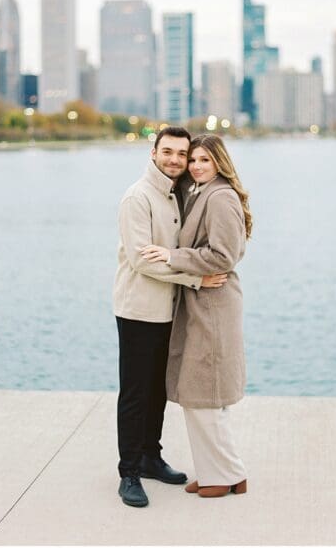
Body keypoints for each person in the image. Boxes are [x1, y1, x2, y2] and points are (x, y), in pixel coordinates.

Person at [113, 126, 229, 508]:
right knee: (135, 392)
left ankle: (150, 456)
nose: (176, 160)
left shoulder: (179, 193)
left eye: (183, 154)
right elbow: (140, 260)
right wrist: (197, 277)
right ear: (153, 153)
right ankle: (129, 472)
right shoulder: (138, 197)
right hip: (140, 309)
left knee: (159, 388)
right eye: (169, 152)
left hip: (172, 310)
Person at [141, 133, 252, 498]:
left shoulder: (220, 197)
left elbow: (224, 256)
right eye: (194, 160)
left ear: (219, 162)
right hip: (203, 303)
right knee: (203, 396)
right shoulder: (201, 193)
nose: (196, 166)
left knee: (205, 395)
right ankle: (223, 473)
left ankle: (223, 475)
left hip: (214, 306)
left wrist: (173, 257)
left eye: (205, 160)